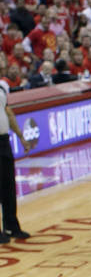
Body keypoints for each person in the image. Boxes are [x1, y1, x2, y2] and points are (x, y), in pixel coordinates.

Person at [1, 74, 34, 242]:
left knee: (8, 185)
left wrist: (20, 136)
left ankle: (11, 226)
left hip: (3, 141)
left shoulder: (2, 86)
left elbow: (8, 112)